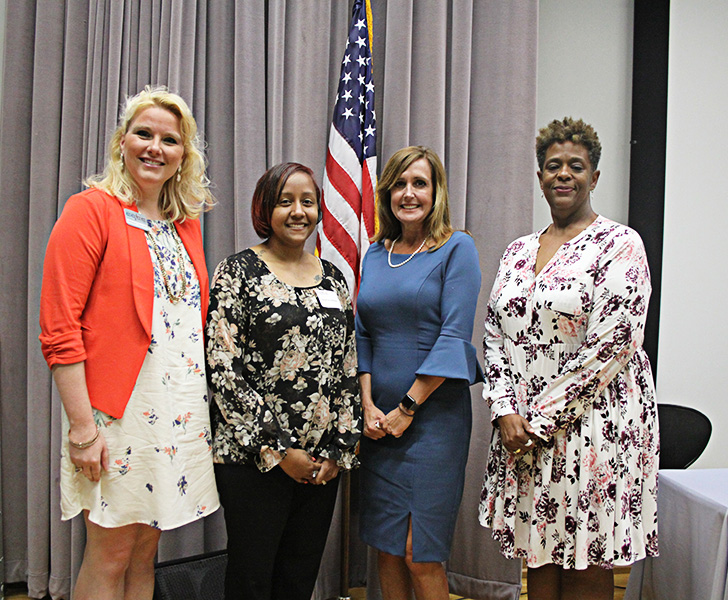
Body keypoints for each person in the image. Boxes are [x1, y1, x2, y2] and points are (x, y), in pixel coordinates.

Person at [39, 86, 218, 600]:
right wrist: (80, 429)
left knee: (145, 552)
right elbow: (59, 329)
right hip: (115, 417)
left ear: (184, 154)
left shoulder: (184, 226)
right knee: (111, 555)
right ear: (122, 141)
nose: (155, 148)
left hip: (177, 417)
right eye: (144, 134)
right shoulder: (90, 210)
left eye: (170, 139)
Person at [479, 117, 659, 600]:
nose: (563, 174)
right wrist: (503, 410)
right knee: (538, 552)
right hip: (522, 432)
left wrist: (535, 420)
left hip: (594, 427)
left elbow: (612, 345)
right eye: (552, 166)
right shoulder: (517, 251)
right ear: (539, 177)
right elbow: (495, 334)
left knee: (585, 556)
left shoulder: (620, 244)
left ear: (594, 177)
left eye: (575, 167)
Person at [205, 162, 361, 600]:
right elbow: (223, 367)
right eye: (285, 201)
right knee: (252, 578)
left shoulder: (332, 278)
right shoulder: (237, 272)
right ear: (265, 209)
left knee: (299, 577)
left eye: (307, 202)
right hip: (254, 458)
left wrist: (337, 450)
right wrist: (277, 449)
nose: (298, 212)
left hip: (319, 465)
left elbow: (347, 366)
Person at [355, 146, 482, 600]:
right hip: (378, 426)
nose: (409, 193)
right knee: (387, 547)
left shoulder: (456, 248)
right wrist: (368, 405)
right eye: (399, 184)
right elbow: (363, 334)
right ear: (387, 192)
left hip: (433, 422)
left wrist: (406, 408)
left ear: (436, 192)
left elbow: (453, 336)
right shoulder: (375, 253)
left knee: (418, 551)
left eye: (420, 183)